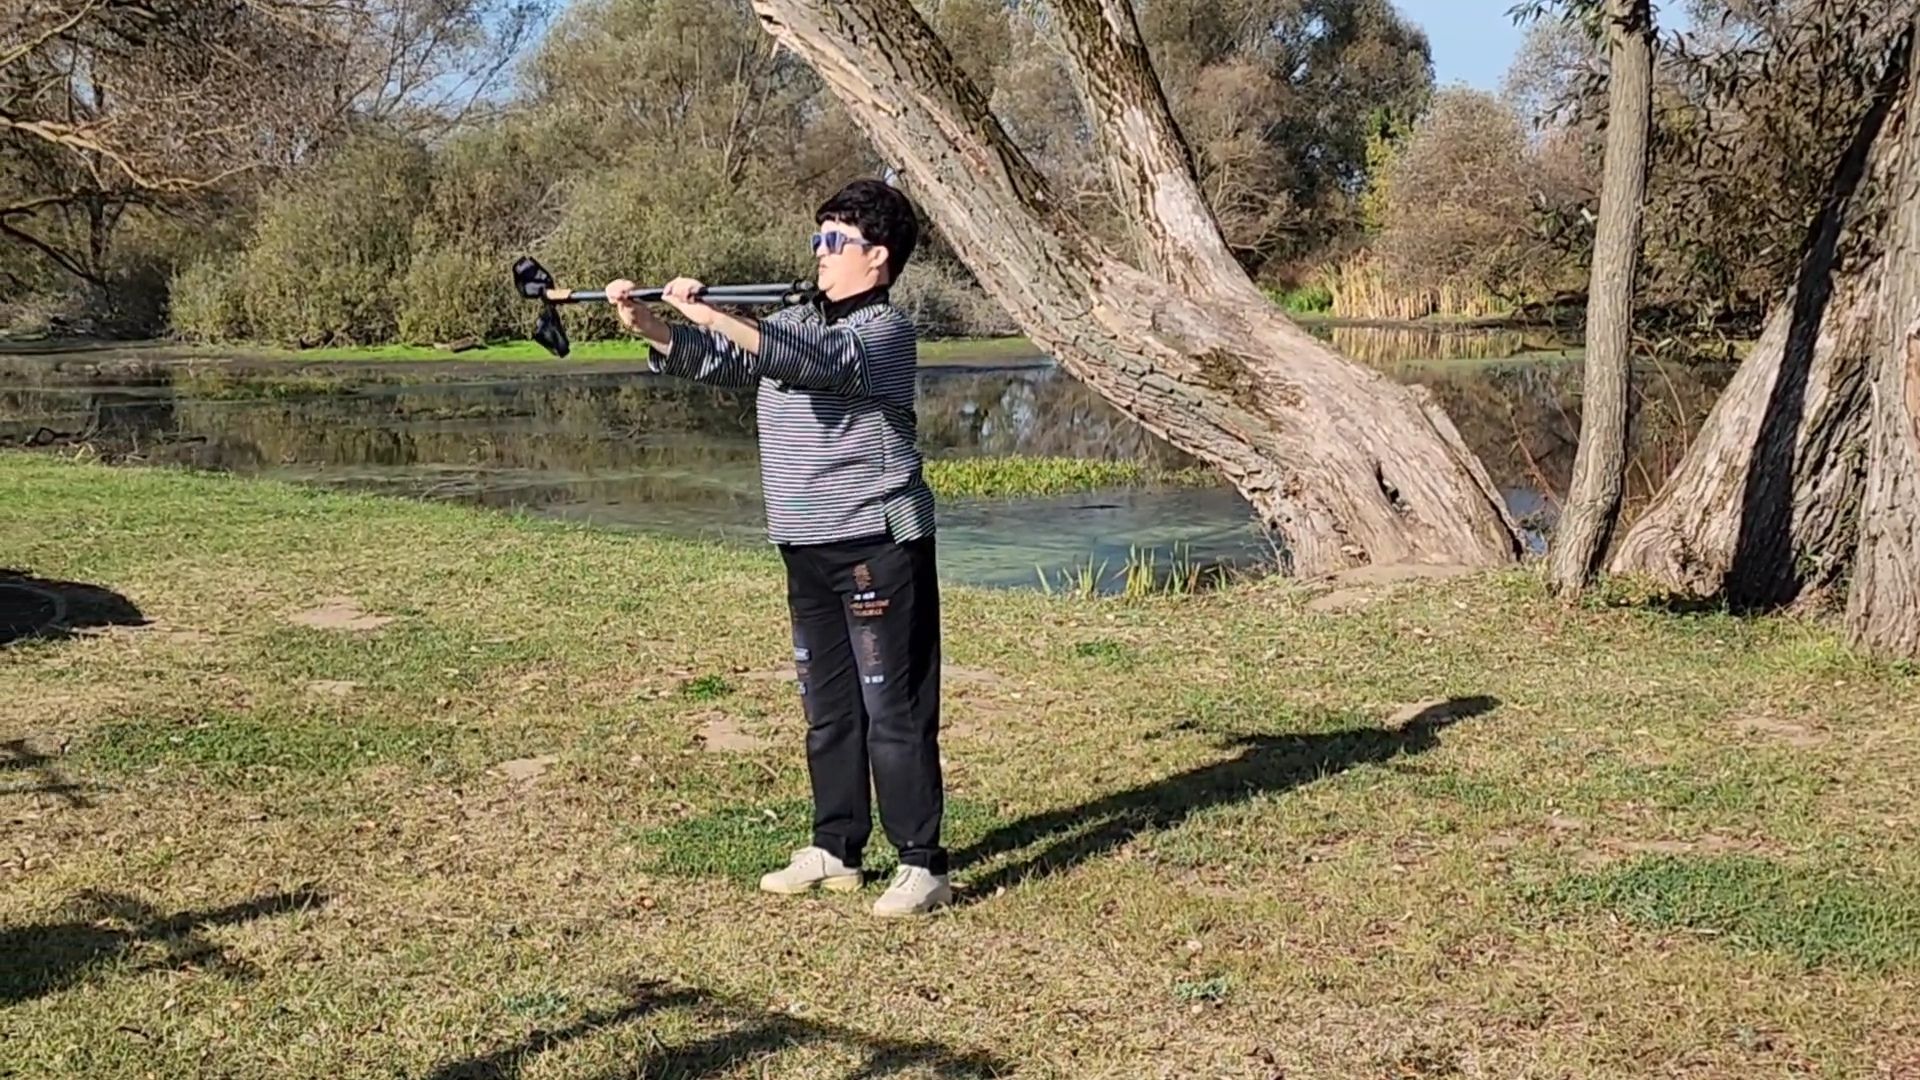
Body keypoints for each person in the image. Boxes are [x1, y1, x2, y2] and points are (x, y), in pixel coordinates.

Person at [605, 178, 950, 917]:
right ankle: (836, 848)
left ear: (878, 258)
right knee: (827, 708)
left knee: (893, 706)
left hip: (875, 539)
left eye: (837, 242)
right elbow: (724, 361)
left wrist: (715, 311)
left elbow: (813, 362)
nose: (821, 255)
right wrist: (653, 325)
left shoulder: (883, 332)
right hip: (803, 541)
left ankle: (923, 861)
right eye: (818, 239)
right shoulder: (797, 320)